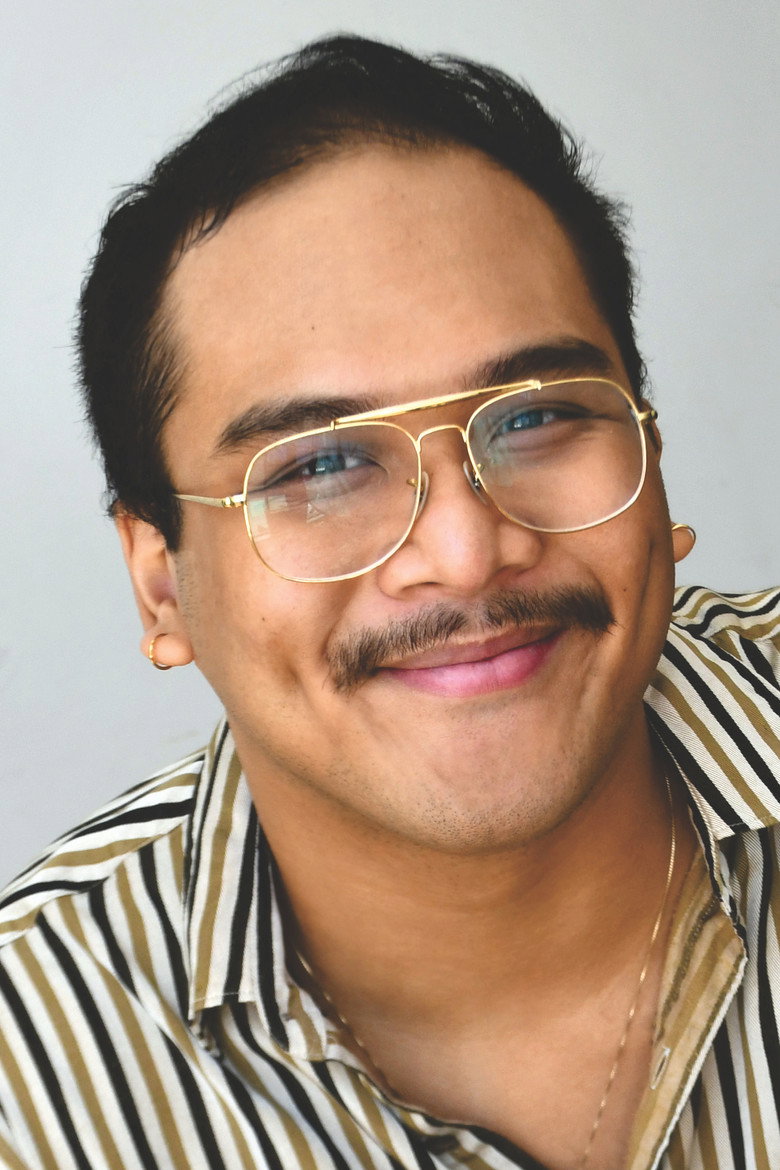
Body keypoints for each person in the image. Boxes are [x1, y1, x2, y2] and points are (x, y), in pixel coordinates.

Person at [0, 33, 778, 1170]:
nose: (465, 553)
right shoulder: (26, 1086)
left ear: (650, 461)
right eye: (318, 466)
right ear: (161, 580)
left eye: (536, 416)